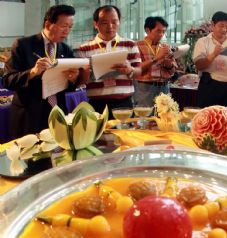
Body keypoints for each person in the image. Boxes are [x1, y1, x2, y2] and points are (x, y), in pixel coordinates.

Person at [3, 5, 82, 139]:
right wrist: (33, 72)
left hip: (57, 113)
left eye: (70, 27)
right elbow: (8, 81)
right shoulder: (23, 45)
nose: (67, 31)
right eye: (64, 26)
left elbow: (71, 87)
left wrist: (73, 79)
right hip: (30, 116)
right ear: (48, 24)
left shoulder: (65, 49)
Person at [77, 5, 141, 117]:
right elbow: (80, 81)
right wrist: (87, 73)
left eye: (114, 22)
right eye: (104, 22)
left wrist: (130, 70)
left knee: (125, 134)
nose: (110, 26)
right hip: (97, 104)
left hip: (124, 103)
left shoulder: (130, 44)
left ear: (119, 22)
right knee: (99, 134)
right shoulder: (84, 48)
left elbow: (139, 73)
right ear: (95, 24)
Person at [193, 11, 227, 108]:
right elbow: (199, 65)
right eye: (221, 26)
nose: (224, 30)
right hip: (210, 85)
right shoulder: (203, 41)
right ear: (212, 24)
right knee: (207, 118)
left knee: (226, 119)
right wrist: (213, 55)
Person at [134, 16, 177, 107]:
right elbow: (135, 69)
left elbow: (172, 72)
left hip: (164, 87)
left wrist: (168, 64)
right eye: (158, 31)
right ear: (148, 30)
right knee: (144, 118)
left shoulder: (165, 47)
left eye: (163, 31)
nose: (161, 34)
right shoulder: (137, 46)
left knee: (165, 117)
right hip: (145, 88)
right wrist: (156, 58)